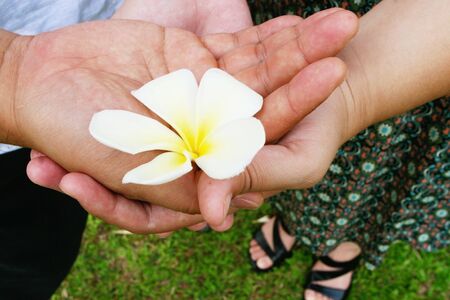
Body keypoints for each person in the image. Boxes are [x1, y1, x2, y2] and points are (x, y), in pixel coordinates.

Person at [1, 1, 359, 298]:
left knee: (34, 256)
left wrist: (15, 66)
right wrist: (12, 70)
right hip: (39, 87)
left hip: (92, 35)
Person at [194, 1, 450, 300]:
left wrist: (352, 93)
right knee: (291, 144)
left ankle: (345, 249)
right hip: (308, 15)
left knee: (379, 176)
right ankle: (291, 222)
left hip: (429, 50)